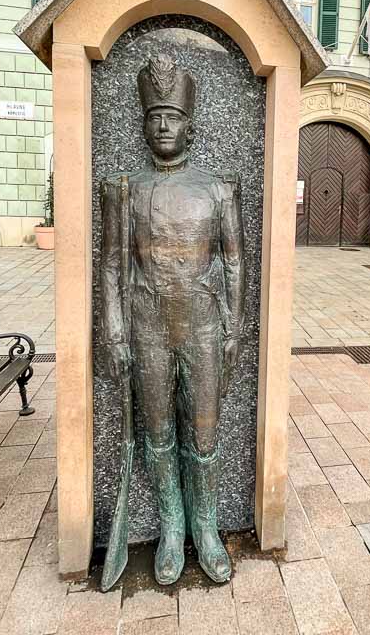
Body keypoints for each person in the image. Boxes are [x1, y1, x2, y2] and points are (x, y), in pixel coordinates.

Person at [100, 53, 245, 585]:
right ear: (143, 125)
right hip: (146, 327)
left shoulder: (218, 188)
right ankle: (171, 523)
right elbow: (113, 262)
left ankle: (205, 528)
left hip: (206, 327)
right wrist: (113, 330)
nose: (162, 125)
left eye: (172, 117)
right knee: (157, 430)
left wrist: (236, 328)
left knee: (203, 433)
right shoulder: (123, 189)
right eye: (153, 117)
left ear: (190, 125)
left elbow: (234, 261)